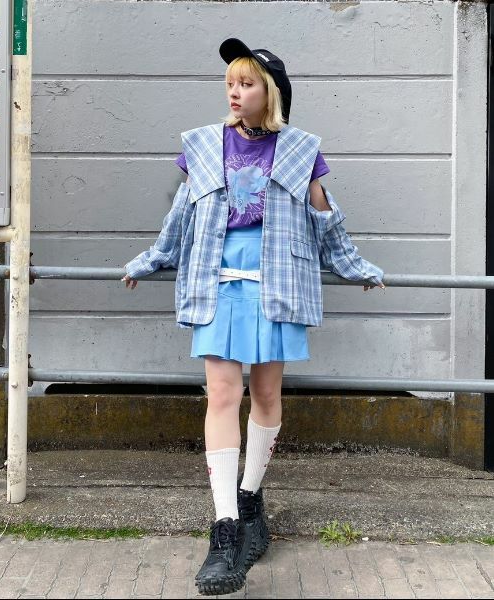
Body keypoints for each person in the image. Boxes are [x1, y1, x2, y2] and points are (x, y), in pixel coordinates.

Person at [122, 38, 385, 596]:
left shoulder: (301, 150)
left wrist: (355, 266)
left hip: (278, 281)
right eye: (230, 84)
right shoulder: (202, 144)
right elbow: (180, 215)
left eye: (246, 84)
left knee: (265, 393)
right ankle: (224, 531)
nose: (235, 93)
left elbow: (324, 217)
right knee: (222, 393)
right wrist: (151, 259)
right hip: (216, 281)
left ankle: (250, 500)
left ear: (272, 93)